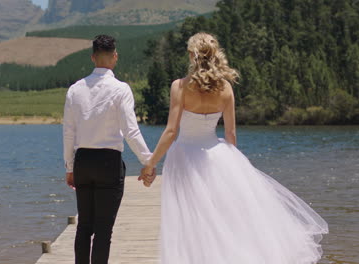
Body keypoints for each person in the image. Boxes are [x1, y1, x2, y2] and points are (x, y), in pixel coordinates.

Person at [139, 33, 328, 263]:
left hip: (184, 157)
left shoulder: (179, 86)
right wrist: (235, 168)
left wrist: (151, 163)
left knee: (189, 219)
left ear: (191, 55)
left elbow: (171, 132)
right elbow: (231, 134)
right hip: (218, 156)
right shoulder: (226, 88)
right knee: (221, 218)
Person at [63, 34, 155, 264]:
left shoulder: (74, 90)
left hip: (82, 160)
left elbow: (68, 133)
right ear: (115, 56)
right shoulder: (121, 89)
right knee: (103, 229)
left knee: (84, 225)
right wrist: (148, 162)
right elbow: (131, 131)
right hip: (108, 162)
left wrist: (69, 167)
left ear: (93, 57)